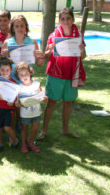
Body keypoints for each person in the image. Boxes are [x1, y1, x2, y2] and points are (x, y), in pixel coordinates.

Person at [39, 7, 86, 139]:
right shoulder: (53, 36)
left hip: (72, 74)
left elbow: (83, 57)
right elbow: (47, 55)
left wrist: (82, 51)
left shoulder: (78, 36)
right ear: (59, 21)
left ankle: (65, 129)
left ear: (73, 20)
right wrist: (48, 51)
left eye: (68, 18)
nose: (65, 21)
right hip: (56, 74)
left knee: (68, 102)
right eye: (63, 19)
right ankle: (44, 130)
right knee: (51, 102)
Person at [1, 14, 45, 82]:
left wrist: (41, 57)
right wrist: (3, 56)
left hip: (26, 78)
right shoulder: (7, 43)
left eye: (22, 26)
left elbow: (38, 63)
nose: (20, 28)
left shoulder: (32, 42)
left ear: (26, 27)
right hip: (11, 78)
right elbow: (1, 64)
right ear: (13, 28)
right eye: (17, 26)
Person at [15, 62, 47, 153]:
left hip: (36, 112)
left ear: (30, 73)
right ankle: (24, 144)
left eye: (26, 74)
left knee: (35, 129)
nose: (24, 76)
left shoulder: (37, 84)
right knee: (24, 128)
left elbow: (42, 96)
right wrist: (17, 104)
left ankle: (31, 142)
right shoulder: (19, 87)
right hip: (25, 113)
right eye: (21, 75)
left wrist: (44, 98)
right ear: (18, 76)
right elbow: (17, 101)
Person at [0, 57, 19, 152]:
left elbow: (16, 95)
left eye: (7, 70)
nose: (4, 72)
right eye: (2, 70)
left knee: (7, 127)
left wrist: (13, 102)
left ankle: (15, 139)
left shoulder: (13, 83)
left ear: (11, 70)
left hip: (8, 108)